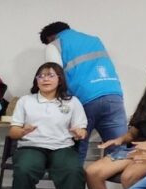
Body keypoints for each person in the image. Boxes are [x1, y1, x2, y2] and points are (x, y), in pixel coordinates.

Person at [1, 62, 88, 189]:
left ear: (60, 79)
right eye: (41, 76)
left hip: (62, 146)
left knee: (73, 172)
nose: (45, 79)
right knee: (24, 169)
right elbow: (13, 132)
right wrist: (23, 131)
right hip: (32, 146)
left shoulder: (72, 102)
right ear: (36, 80)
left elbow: (82, 130)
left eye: (50, 75)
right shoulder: (26, 101)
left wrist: (79, 133)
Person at [40, 22, 126, 161]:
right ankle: (129, 182)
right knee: (119, 151)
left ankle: (75, 182)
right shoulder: (94, 40)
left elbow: (54, 76)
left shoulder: (54, 45)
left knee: (76, 151)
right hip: (114, 95)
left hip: (84, 99)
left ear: (50, 38)